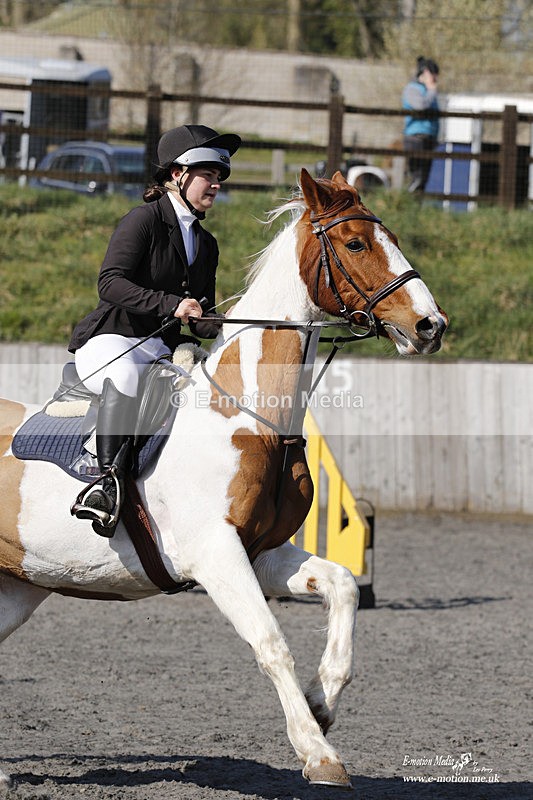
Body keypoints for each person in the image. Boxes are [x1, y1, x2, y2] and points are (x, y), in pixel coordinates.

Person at [70, 124, 241, 536]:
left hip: (162, 349)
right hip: (113, 340)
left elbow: (198, 317)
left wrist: (228, 321)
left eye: (219, 177)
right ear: (176, 175)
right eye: (207, 175)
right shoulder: (142, 220)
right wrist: (170, 304)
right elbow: (110, 282)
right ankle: (105, 484)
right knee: (125, 374)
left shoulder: (206, 243)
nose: (215, 184)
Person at [402, 56, 440, 193]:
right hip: (416, 138)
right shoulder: (412, 89)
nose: (435, 78)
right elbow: (421, 106)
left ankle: (415, 206)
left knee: (423, 179)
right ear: (424, 73)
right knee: (416, 177)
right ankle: (407, 204)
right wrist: (432, 90)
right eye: (433, 74)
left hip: (429, 138)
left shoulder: (428, 91)